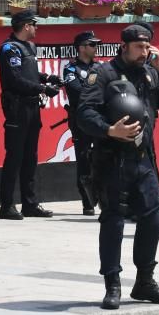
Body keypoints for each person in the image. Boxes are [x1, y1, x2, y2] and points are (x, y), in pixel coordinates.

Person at [77, 24, 159, 310]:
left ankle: (144, 281)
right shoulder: (103, 74)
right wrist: (110, 130)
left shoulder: (148, 72)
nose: (144, 52)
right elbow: (84, 113)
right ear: (124, 46)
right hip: (112, 159)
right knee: (113, 221)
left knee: (152, 219)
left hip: (144, 159)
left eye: (148, 47)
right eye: (139, 47)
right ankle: (112, 284)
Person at [0, 9, 60, 220]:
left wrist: (47, 78)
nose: (36, 28)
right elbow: (15, 80)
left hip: (32, 108)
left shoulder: (29, 47)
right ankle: (7, 205)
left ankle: (30, 204)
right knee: (14, 156)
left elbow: (29, 74)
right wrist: (42, 89)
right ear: (25, 26)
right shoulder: (9, 49)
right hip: (17, 108)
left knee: (30, 157)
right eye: (34, 24)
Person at [62, 30, 102, 216]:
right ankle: (87, 201)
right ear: (81, 48)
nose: (95, 48)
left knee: (103, 157)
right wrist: (96, 92)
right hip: (81, 120)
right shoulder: (71, 69)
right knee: (84, 158)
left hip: (100, 119)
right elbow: (77, 91)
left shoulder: (101, 68)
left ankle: (104, 197)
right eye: (92, 44)